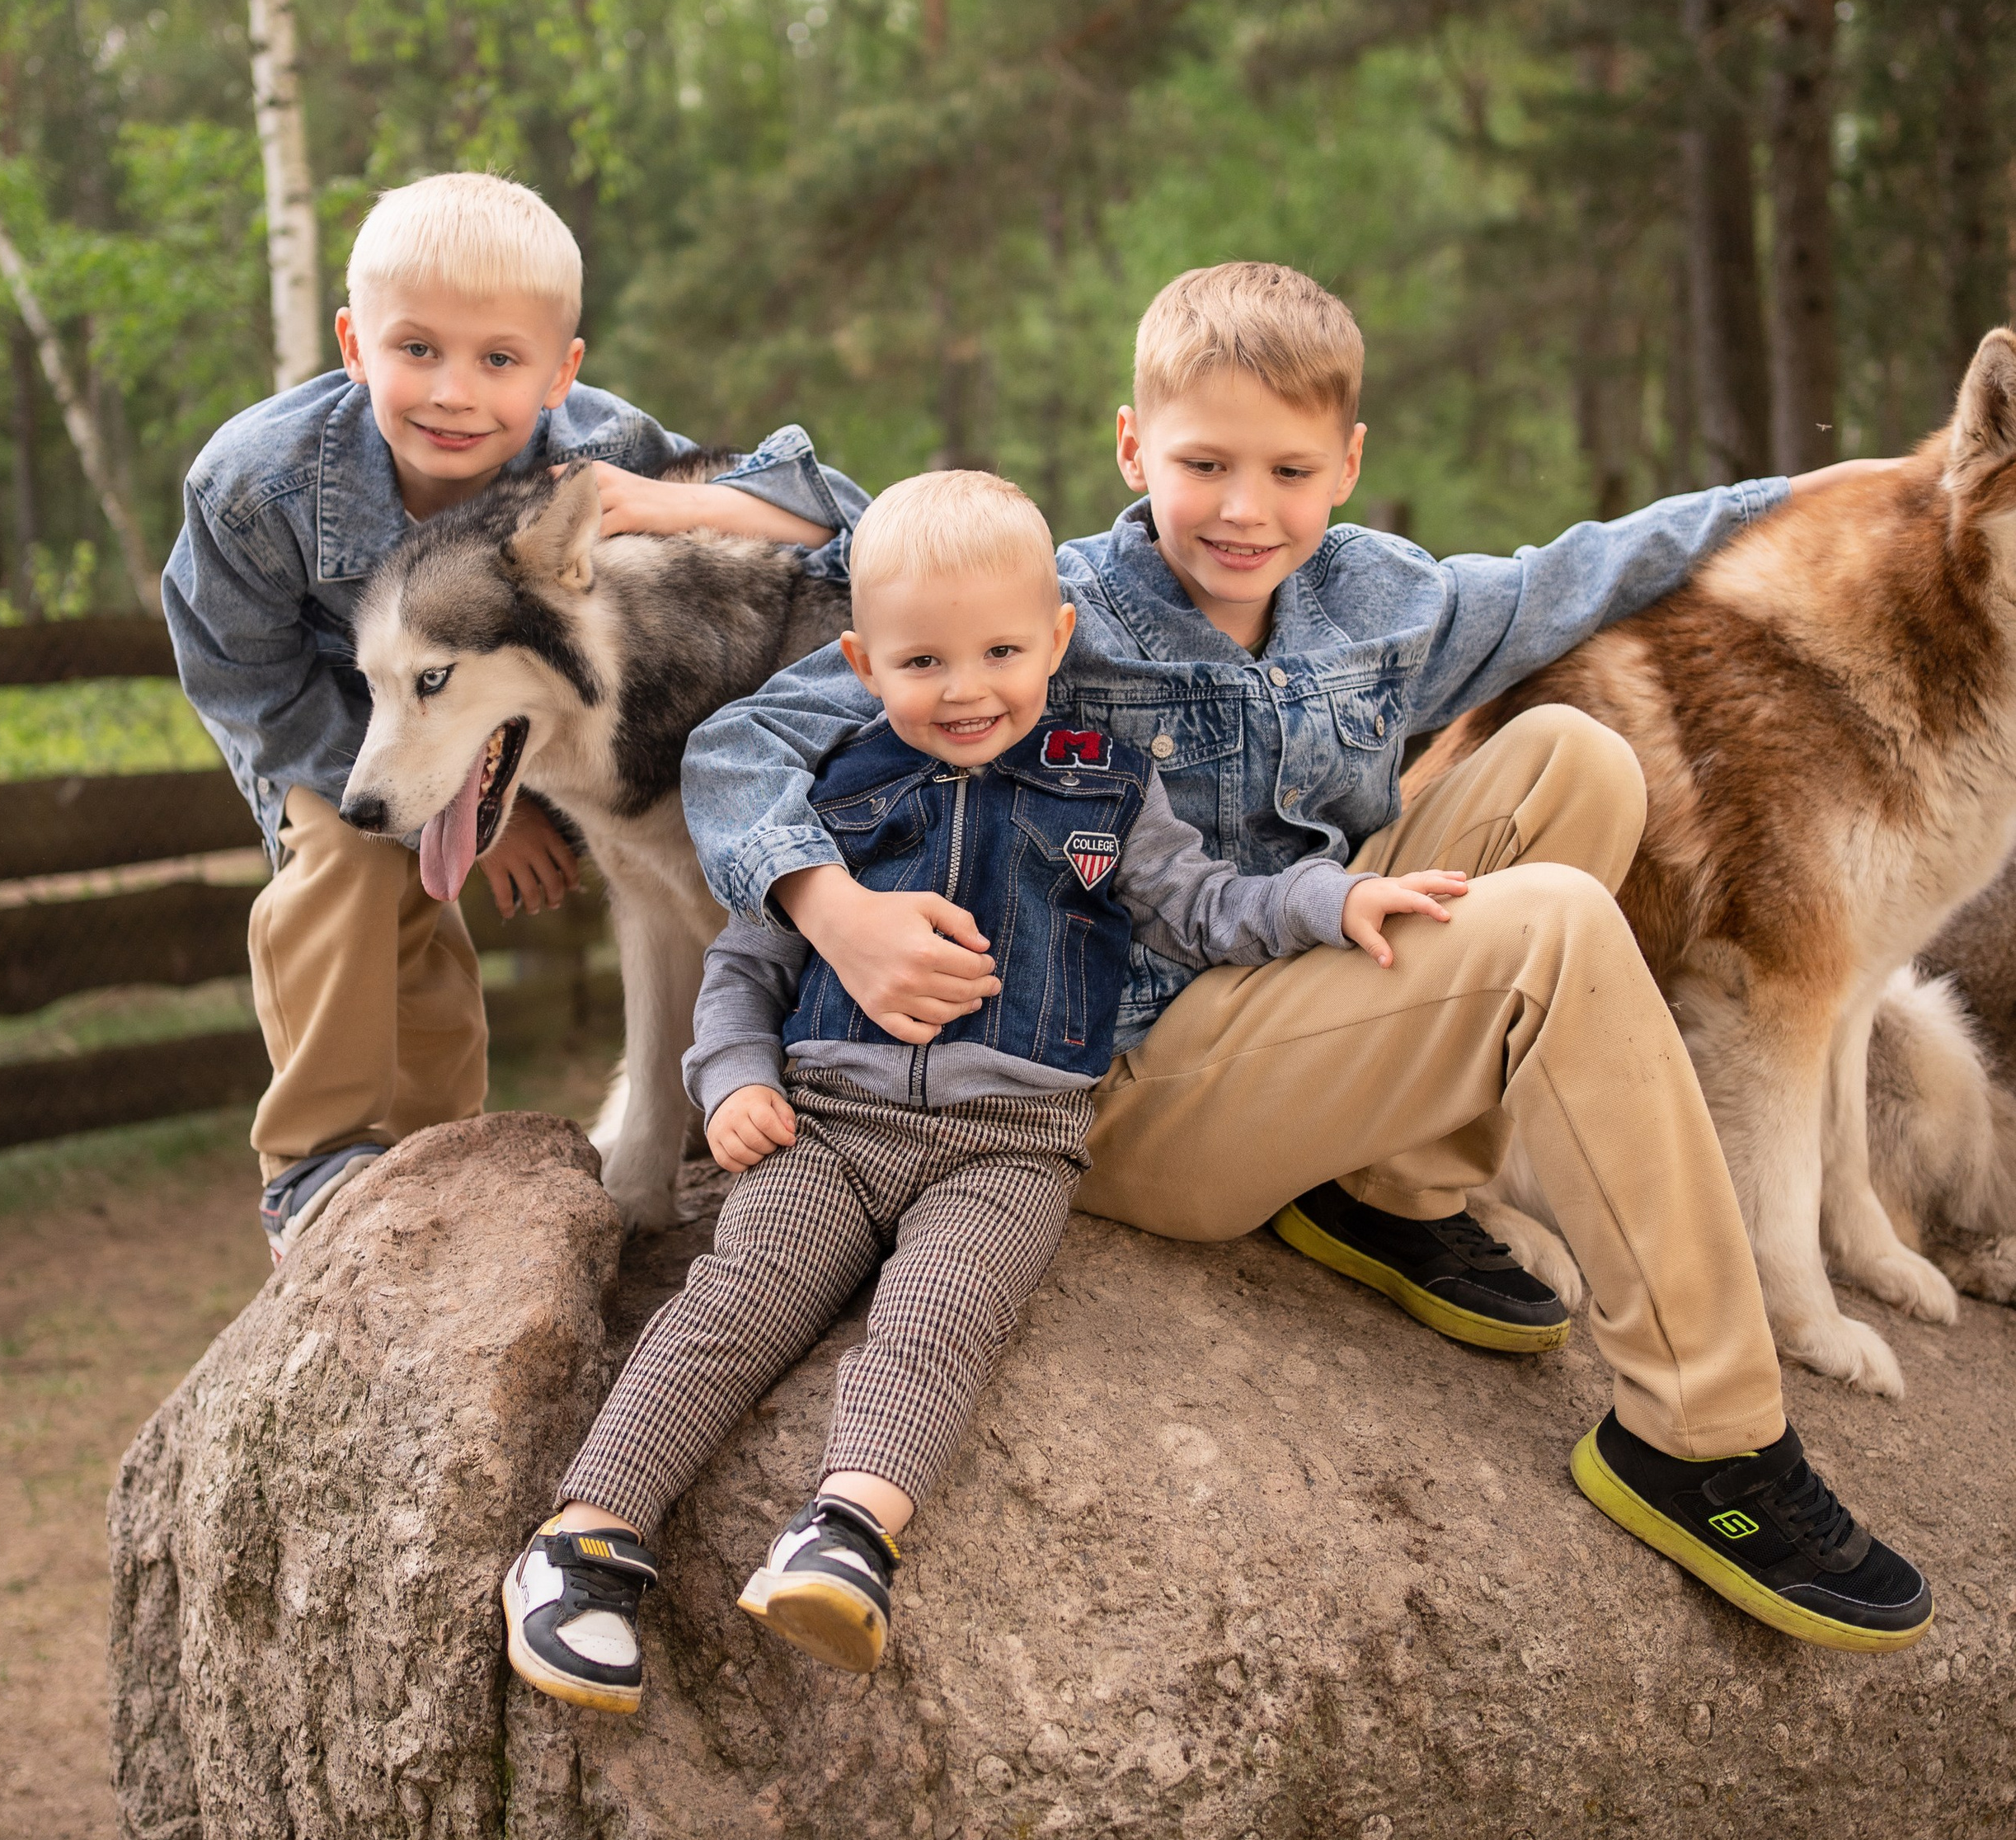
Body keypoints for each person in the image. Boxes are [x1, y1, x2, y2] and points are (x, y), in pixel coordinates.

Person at [671, 261, 1934, 1653]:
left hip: (1298, 1001)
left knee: (1576, 759)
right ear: (1133, 447)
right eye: (1202, 462)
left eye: (1286, 467)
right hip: (1119, 1081)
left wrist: (1808, 494)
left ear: (1347, 464)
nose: (1242, 508)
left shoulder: (1383, 602)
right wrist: (829, 907)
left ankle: (1386, 1191)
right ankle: (1703, 1438)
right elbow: (743, 745)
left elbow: (1589, 564)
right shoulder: (1038, 611)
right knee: (1555, 927)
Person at [503, 466, 1437, 1711]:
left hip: (1009, 1149)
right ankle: (587, 1539)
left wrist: (1335, 898)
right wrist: (730, 1082)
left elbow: (1212, 905)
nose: (965, 689)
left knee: (945, 1318)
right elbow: (745, 962)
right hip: (828, 1126)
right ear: (861, 659)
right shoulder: (836, 790)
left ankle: (848, 1533)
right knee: (740, 1298)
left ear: (1058, 638)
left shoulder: (1106, 787)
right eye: (923, 661)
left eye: (1002, 651)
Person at [162, 170, 862, 1261]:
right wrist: (497, 805)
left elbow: (837, 516)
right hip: (332, 722)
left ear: (559, 373)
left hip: (504, 719)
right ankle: (318, 1164)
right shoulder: (256, 486)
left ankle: (440, 1151)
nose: (453, 392)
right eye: (416, 351)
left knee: (465, 914)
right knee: (354, 858)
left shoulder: (605, 446)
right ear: (353, 346)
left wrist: (677, 504)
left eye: (498, 360)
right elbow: (243, 684)